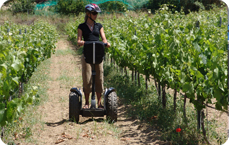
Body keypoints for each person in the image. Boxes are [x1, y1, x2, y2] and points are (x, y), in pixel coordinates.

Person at [77, 3, 110, 109]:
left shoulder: (99, 26)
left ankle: (99, 103)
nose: (96, 15)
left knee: (99, 77)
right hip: (87, 55)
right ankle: (86, 103)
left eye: (96, 13)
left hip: (98, 54)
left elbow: (104, 38)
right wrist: (81, 42)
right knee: (87, 78)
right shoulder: (81, 26)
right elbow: (78, 40)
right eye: (94, 13)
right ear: (88, 13)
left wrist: (106, 43)